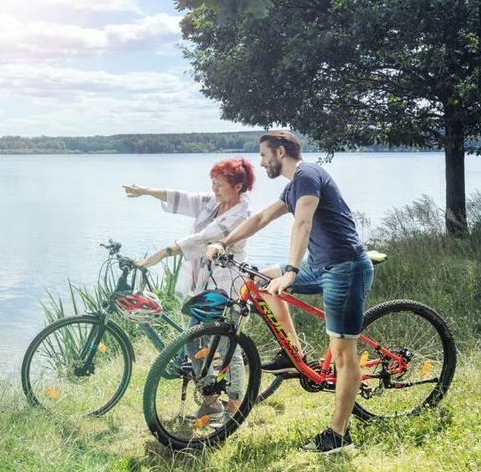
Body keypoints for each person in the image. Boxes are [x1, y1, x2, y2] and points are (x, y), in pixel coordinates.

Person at [206, 130, 373, 454]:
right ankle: (294, 355)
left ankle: (338, 436)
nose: (261, 161)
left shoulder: (308, 175)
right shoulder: (294, 184)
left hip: (345, 268)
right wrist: (224, 242)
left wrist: (293, 271)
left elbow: (303, 224)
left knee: (343, 355)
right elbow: (261, 217)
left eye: (264, 154)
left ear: (280, 152)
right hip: (321, 265)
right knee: (263, 280)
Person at [123, 156, 256, 420]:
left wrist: (162, 253)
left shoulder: (241, 215)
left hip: (225, 286)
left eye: (220, 184)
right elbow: (185, 198)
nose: (214, 189)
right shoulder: (214, 202)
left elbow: (203, 239)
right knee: (194, 341)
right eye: (213, 183)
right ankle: (210, 401)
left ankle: (234, 407)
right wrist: (147, 191)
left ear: (238, 186)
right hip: (203, 285)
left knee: (226, 345)